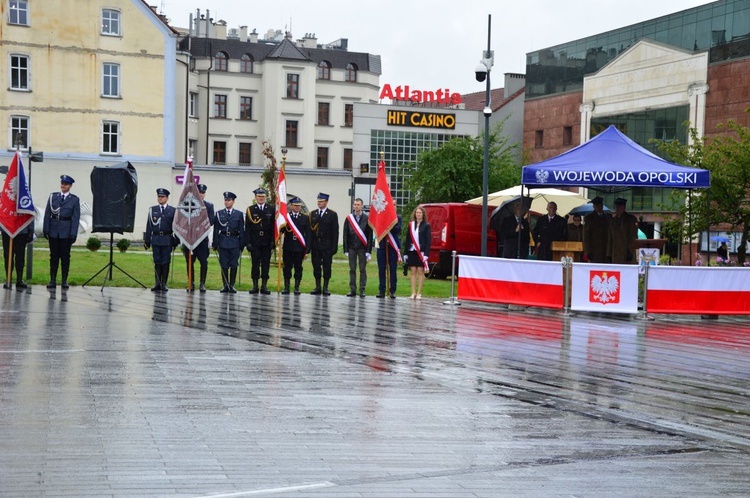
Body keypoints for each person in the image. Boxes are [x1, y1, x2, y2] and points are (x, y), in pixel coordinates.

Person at [43, 174, 81, 289]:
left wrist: (73, 233)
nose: (63, 186)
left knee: (65, 257)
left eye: (65, 184)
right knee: (53, 256)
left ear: (70, 186)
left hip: (66, 231)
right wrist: (46, 229)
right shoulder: (53, 197)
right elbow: (47, 214)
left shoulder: (74, 200)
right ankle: (52, 280)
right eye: (62, 183)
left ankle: (64, 280)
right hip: (54, 230)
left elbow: (75, 218)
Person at [182, 184, 214, 292]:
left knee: (203, 262)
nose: (201, 195)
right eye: (199, 192)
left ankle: (202, 284)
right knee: (190, 261)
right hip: (190, 238)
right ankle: (191, 283)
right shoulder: (188, 205)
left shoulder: (209, 206)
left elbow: (211, 220)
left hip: (202, 239)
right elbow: (184, 219)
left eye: (203, 193)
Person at [144, 188, 177, 292]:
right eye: (159, 197)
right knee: (157, 262)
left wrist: (175, 241)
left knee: (166, 262)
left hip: (167, 239)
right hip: (156, 238)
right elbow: (149, 226)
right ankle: (157, 283)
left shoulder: (172, 210)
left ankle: (164, 284)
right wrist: (147, 240)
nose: (160, 198)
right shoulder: (152, 210)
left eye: (162, 197)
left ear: (167, 198)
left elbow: (175, 226)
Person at [213, 192, 244, 293]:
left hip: (234, 241)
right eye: (225, 200)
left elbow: (241, 230)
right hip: (223, 241)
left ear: (233, 201)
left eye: (229, 200)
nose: (227, 202)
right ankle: (225, 285)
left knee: (234, 264)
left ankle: (232, 285)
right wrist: (215, 243)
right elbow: (216, 229)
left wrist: (242, 243)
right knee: (224, 264)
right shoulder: (219, 213)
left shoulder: (238, 214)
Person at [245, 187, 275, 294]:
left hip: (266, 242)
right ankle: (255, 285)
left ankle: (264, 285)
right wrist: (247, 242)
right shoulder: (250, 209)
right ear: (255, 197)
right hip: (255, 241)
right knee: (255, 263)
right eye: (259, 196)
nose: (261, 198)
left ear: (266, 197)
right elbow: (247, 228)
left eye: (263, 196)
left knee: (266, 264)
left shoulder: (271, 209)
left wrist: (273, 241)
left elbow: (273, 227)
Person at [309, 192, 339, 296]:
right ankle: (317, 286)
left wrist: (334, 247)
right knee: (316, 266)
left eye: (321, 201)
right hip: (316, 245)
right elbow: (310, 232)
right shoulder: (313, 214)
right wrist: (309, 246)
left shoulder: (332, 214)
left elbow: (335, 232)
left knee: (327, 267)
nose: (319, 203)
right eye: (318, 201)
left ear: (326, 202)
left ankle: (325, 287)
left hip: (327, 245)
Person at [343, 198, 373, 298]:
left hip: (362, 248)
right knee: (352, 269)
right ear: (353, 206)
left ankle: (362, 289)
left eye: (358, 204)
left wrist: (369, 250)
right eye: (355, 204)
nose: (356, 206)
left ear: (362, 206)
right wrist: (345, 249)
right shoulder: (349, 219)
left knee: (362, 270)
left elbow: (369, 236)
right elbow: (345, 235)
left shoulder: (367, 218)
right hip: (351, 247)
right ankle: (352, 289)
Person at [281, 197, 311, 295]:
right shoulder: (286, 217)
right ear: (291, 206)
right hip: (288, 247)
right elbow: (281, 230)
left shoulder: (305, 218)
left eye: (299, 206)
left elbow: (308, 233)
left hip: (299, 247)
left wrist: (307, 247)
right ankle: (286, 287)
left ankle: (297, 287)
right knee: (287, 267)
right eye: (295, 205)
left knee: (298, 267)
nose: (297, 207)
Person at [404, 206, 431, 300]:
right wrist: (405, 253)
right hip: (412, 251)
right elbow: (407, 239)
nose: (418, 214)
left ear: (423, 214)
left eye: (420, 213)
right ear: (415, 214)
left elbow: (428, 241)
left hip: (421, 252)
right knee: (413, 271)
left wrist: (426, 254)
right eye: (417, 212)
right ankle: (413, 292)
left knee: (420, 271)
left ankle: (419, 293)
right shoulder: (411, 225)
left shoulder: (426, 225)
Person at [2, 222, 34, 290]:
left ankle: (19, 280)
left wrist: (31, 230)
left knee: (20, 256)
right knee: (8, 256)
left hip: (22, 230)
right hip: (7, 229)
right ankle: (8, 279)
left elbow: (30, 213)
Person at [377, 215, 402, 299]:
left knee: (393, 269)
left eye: (394, 204)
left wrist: (389, 223)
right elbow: (377, 228)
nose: (393, 206)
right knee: (381, 269)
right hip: (382, 245)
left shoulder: (397, 218)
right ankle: (381, 290)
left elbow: (398, 230)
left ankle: (392, 290)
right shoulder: (381, 217)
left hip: (393, 246)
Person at [607, 197, 638, 264]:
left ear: (624, 207)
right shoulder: (613, 220)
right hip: (615, 254)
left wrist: (630, 251)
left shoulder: (631, 219)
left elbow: (633, 236)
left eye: (620, 206)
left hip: (626, 253)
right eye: (616, 207)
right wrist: (608, 254)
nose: (618, 208)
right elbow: (610, 238)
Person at [583, 196, 610, 263]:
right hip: (594, 249)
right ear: (594, 206)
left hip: (606, 249)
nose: (599, 207)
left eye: (600, 205)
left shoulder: (608, 217)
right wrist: (588, 251)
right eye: (597, 205)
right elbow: (586, 235)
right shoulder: (589, 218)